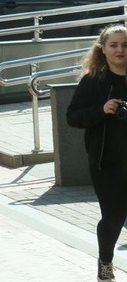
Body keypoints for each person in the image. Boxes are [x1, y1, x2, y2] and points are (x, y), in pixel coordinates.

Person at [66, 24, 127, 282]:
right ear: (103, 49)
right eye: (114, 45)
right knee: (113, 217)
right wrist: (101, 110)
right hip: (107, 163)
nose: (120, 50)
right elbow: (72, 117)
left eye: (125, 45)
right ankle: (105, 262)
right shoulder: (93, 82)